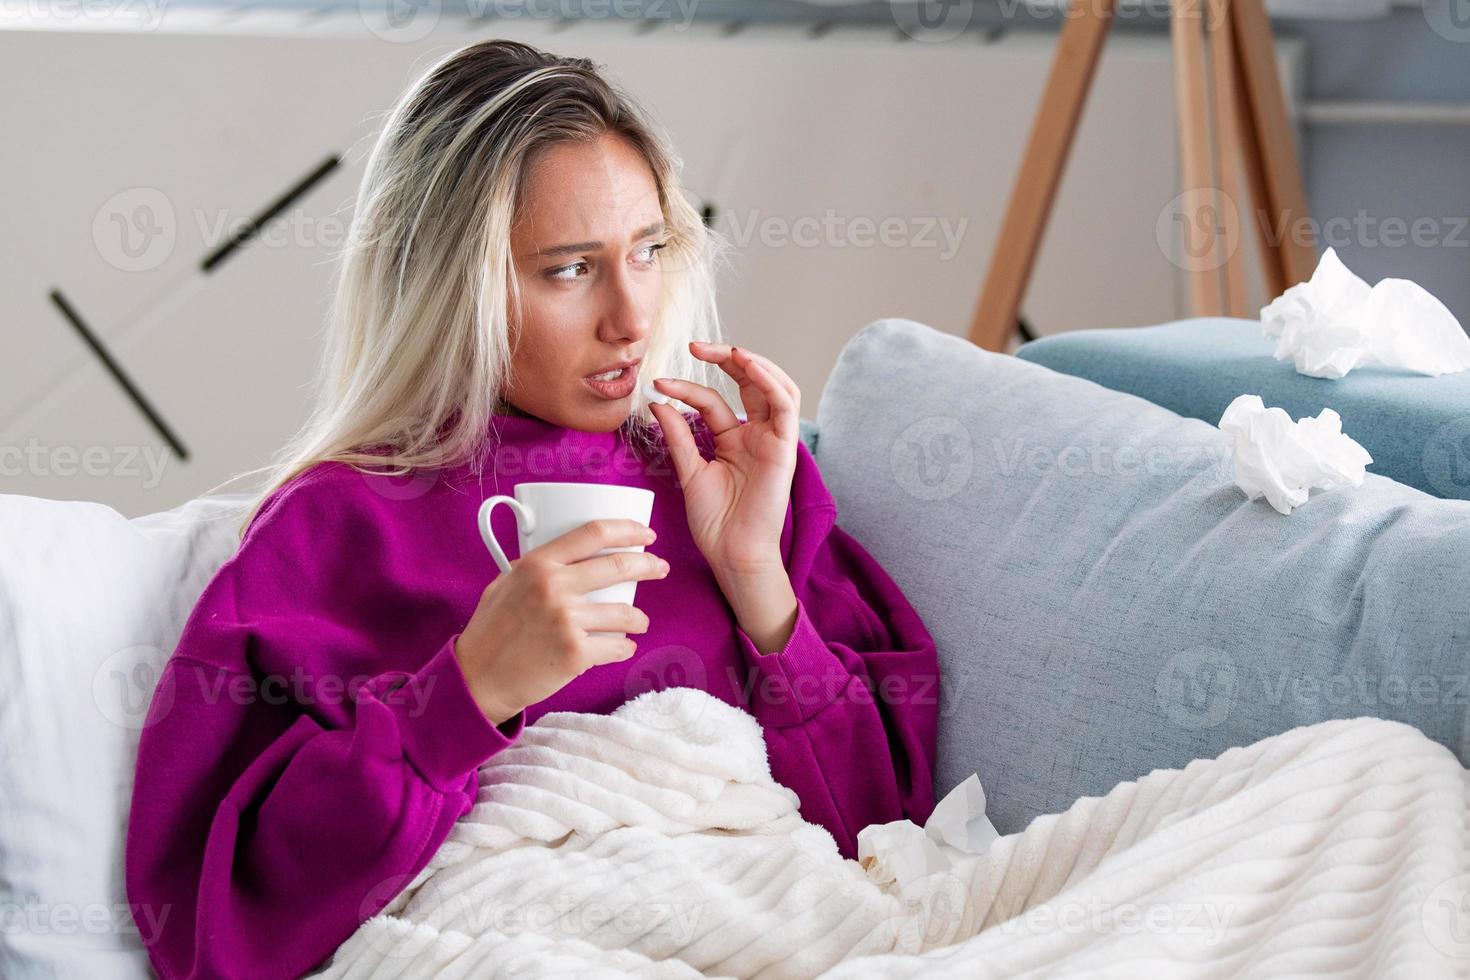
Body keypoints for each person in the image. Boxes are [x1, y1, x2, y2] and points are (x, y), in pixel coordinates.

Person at [124, 38, 940, 980]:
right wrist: (465, 692)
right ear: (451, 284)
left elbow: (884, 838)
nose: (632, 318)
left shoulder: (731, 475)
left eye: (649, 251)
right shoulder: (333, 528)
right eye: (567, 270)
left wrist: (757, 581)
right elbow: (219, 930)